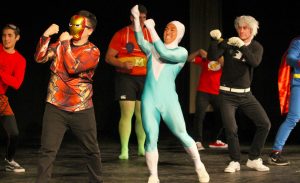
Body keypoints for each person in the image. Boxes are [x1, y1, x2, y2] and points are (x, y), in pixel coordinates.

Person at [131, 5, 209, 183]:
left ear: (179, 34)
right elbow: (140, 39)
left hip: (168, 101)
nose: (167, 31)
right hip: (149, 99)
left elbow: (164, 52)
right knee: (151, 136)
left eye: (172, 30)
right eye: (166, 28)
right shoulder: (151, 49)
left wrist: (151, 29)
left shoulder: (181, 53)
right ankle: (153, 175)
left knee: (182, 133)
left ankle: (198, 164)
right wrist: (137, 20)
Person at [34, 10, 103, 183]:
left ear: (90, 30)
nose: (74, 28)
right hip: (55, 106)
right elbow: (40, 57)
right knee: (47, 151)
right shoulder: (59, 45)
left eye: (80, 25)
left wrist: (64, 43)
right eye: (73, 23)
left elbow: (73, 67)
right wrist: (45, 36)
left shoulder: (92, 51)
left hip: (81, 108)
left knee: (91, 151)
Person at [207, 15, 271, 173]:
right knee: (231, 129)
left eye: (245, 28)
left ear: (252, 30)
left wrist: (242, 46)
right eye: (239, 27)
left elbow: (254, 62)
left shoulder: (256, 47)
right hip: (227, 94)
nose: (241, 30)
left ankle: (253, 159)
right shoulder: (229, 43)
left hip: (246, 95)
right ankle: (235, 161)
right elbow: (212, 56)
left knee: (265, 124)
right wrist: (214, 40)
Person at [105, 4, 151, 160]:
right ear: (132, 17)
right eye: (139, 17)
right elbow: (109, 57)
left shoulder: (150, 34)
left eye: (144, 17)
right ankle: (124, 149)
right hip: (126, 78)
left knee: (142, 115)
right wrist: (122, 64)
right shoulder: (121, 34)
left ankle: (141, 147)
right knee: (127, 114)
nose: (142, 20)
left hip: (145, 78)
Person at [268, 37, 300, 166]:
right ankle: (275, 153)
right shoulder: (298, 42)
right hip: (299, 84)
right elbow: (290, 58)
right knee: (293, 118)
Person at [188, 49, 227, 151]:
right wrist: (198, 52)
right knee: (199, 116)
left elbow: (223, 63)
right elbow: (189, 59)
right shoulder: (205, 60)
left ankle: (216, 140)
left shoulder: (223, 60)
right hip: (203, 92)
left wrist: (217, 56)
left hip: (218, 93)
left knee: (222, 116)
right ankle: (198, 141)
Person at [0, 24, 26, 173]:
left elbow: (16, 83)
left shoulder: (20, 60)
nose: (6, 38)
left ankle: (9, 161)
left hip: (2, 99)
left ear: (17, 38)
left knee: (14, 133)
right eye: (4, 35)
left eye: (10, 35)